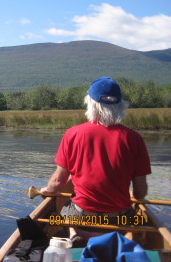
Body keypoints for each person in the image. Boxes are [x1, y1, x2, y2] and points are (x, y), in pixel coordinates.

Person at [40, 76, 151, 246]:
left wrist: (47, 190)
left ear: (90, 104)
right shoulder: (134, 139)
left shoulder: (73, 134)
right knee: (135, 220)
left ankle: (73, 232)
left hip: (82, 215)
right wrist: (137, 198)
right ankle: (122, 237)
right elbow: (139, 192)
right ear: (120, 106)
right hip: (119, 219)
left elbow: (57, 182)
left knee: (62, 211)